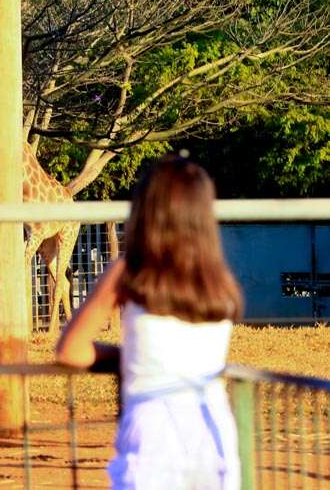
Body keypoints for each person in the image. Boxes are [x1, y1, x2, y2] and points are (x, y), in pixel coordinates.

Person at [55, 155, 243, 490]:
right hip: (213, 432)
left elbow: (71, 350)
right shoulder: (220, 282)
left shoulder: (130, 273)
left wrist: (125, 356)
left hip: (153, 434)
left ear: (147, 212)